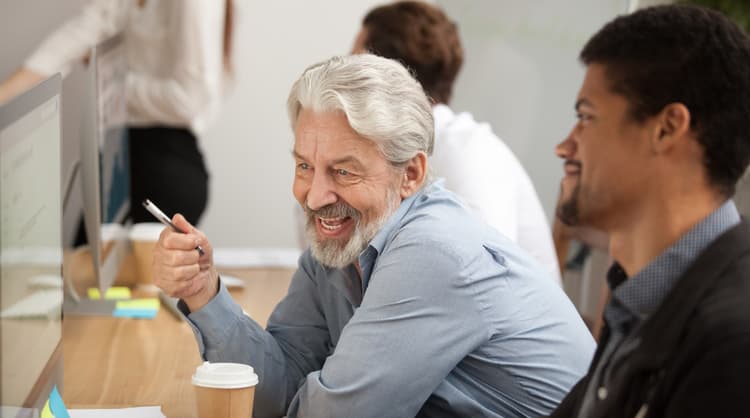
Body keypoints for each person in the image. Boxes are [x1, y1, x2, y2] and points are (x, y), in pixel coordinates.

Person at [154, 54, 595, 418]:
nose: (314, 196)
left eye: (343, 171)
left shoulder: (434, 253)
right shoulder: (340, 242)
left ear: (412, 174)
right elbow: (274, 392)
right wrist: (203, 292)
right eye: (305, 166)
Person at [549, 5, 750, 417]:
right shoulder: (643, 298)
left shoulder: (732, 342)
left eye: (587, 117)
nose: (565, 146)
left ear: (666, 128)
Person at [351, 1, 561, 283]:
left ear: (378, 73)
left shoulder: (469, 154)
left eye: (354, 63)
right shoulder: (406, 150)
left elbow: (482, 282)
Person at [0, 0, 234, 226]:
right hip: (121, 152)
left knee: (105, 263)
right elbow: (73, 38)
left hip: (166, 167)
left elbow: (191, 100)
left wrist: (111, 81)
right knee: (82, 261)